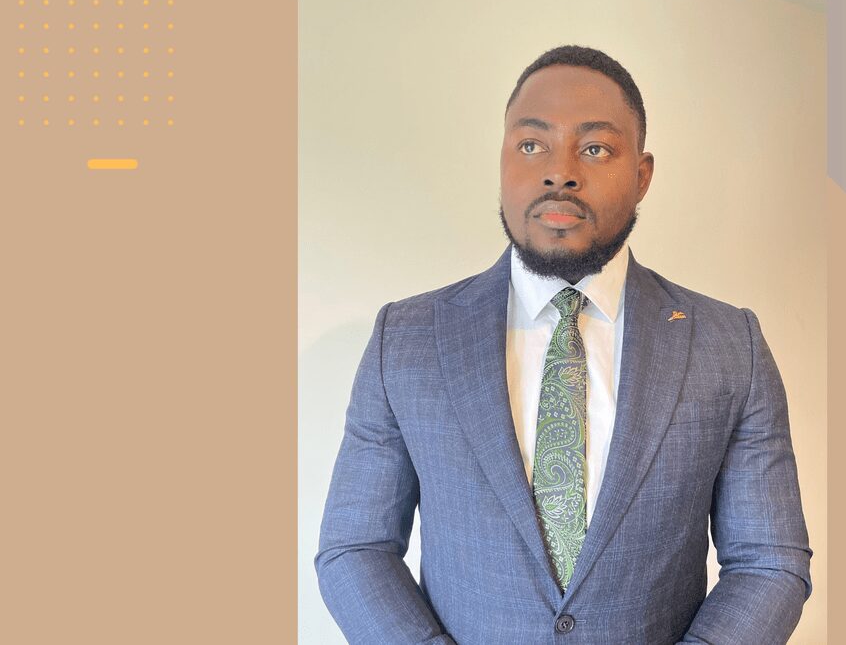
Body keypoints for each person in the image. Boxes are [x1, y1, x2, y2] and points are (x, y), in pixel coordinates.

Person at [315, 45, 813, 644]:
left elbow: (768, 561)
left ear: (643, 174)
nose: (560, 172)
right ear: (502, 162)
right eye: (532, 145)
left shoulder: (731, 345)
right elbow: (356, 547)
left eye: (596, 147)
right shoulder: (408, 339)